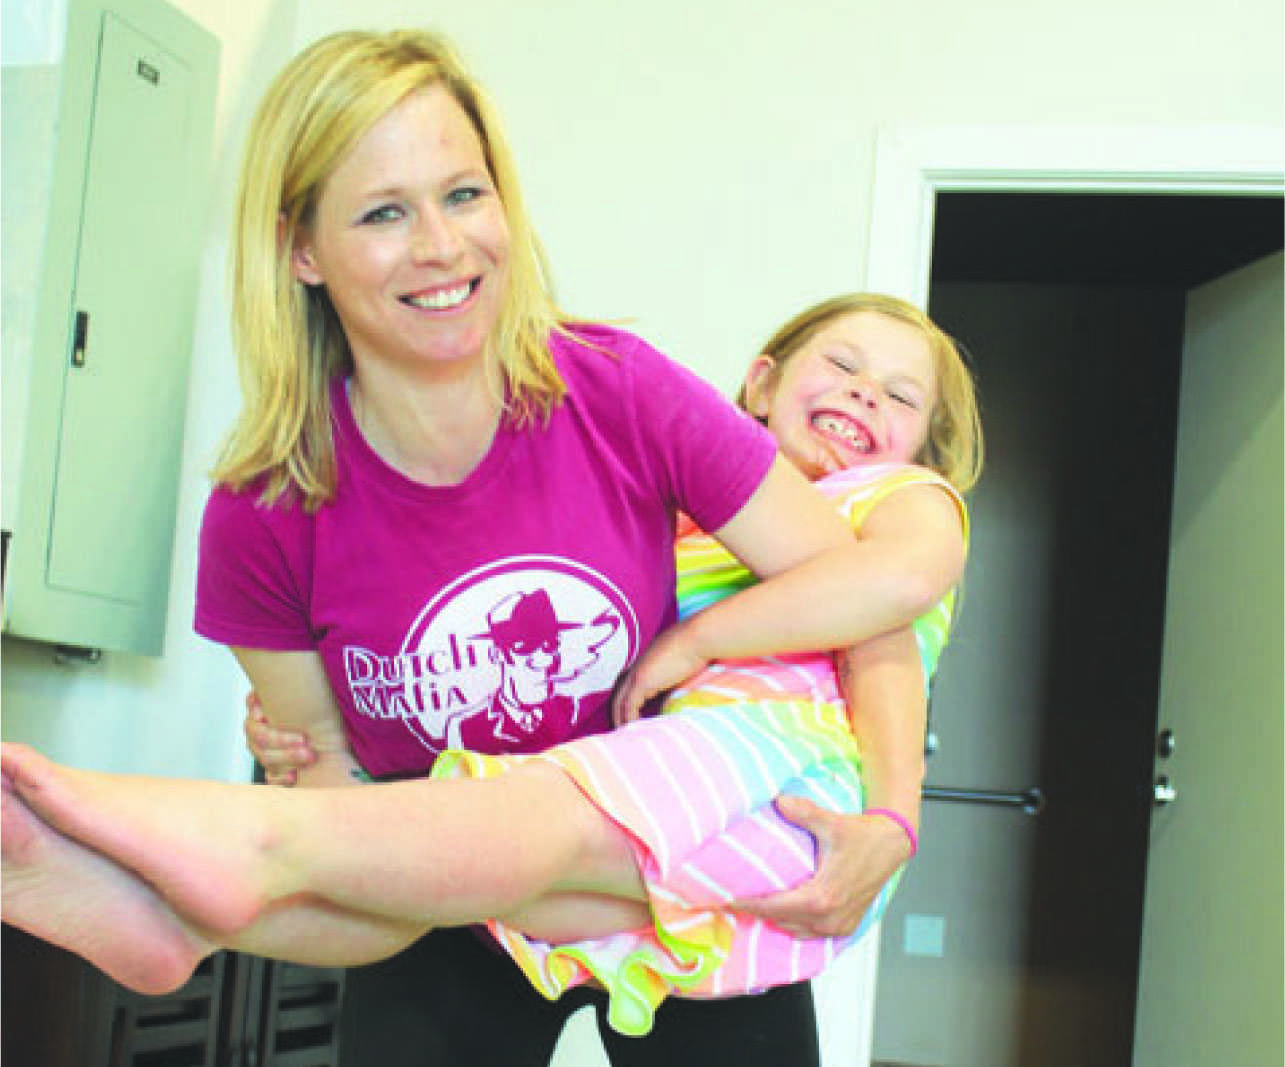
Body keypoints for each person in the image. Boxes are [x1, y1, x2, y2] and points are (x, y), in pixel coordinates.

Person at [0, 25, 974, 1066]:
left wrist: (891, 817)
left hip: (679, 839)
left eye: (463, 195)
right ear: (301, 248)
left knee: (519, 822)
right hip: (444, 903)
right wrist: (314, 779)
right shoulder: (263, 511)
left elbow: (869, 601)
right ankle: (183, 915)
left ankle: (226, 858)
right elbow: (328, 771)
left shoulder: (621, 392)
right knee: (401, 868)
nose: (442, 246)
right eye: (383, 212)